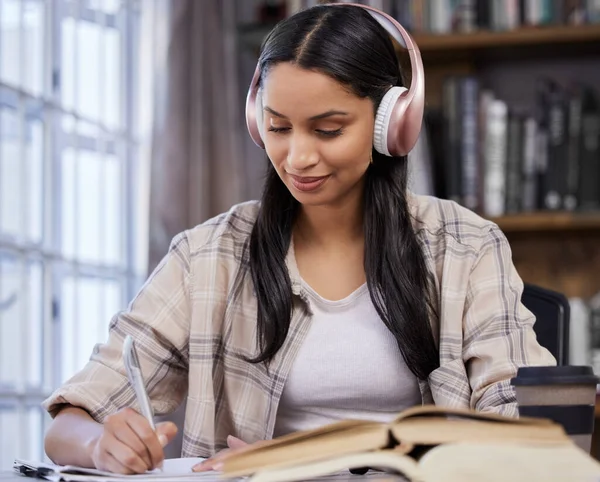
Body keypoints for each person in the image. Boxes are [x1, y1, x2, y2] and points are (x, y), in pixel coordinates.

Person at [42, 3, 556, 475]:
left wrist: (310, 462)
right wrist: (97, 443)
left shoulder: (466, 246)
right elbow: (73, 417)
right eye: (278, 126)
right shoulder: (208, 256)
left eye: (327, 129)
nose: (297, 157)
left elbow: (522, 429)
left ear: (391, 124)